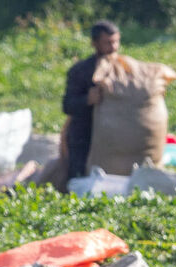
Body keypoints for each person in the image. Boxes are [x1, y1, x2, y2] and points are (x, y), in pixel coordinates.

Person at [62, 20, 121, 181]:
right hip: (84, 136)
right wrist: (87, 100)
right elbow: (67, 106)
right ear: (94, 43)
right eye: (108, 43)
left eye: (116, 42)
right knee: (79, 177)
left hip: (114, 135)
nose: (113, 47)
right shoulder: (80, 71)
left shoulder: (125, 70)